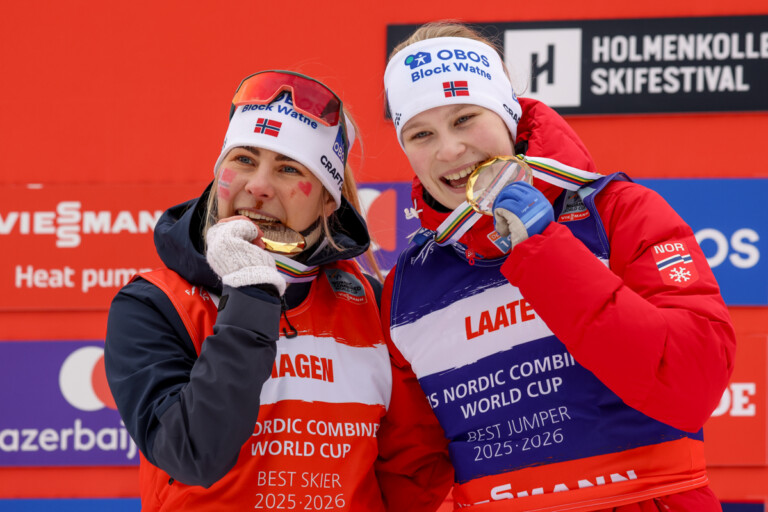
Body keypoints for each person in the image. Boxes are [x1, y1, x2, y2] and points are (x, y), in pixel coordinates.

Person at [375, 22, 736, 512]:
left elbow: (689, 385)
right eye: (421, 133)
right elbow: (410, 479)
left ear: (507, 113)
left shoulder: (619, 213)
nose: (449, 150)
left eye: (464, 118)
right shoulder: (408, 286)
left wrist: (544, 251)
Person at [105, 70, 391, 511]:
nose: (257, 186)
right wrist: (251, 293)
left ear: (327, 200)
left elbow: (410, 468)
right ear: (219, 170)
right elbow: (193, 455)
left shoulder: (372, 303)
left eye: (288, 168)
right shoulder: (154, 302)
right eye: (243, 159)